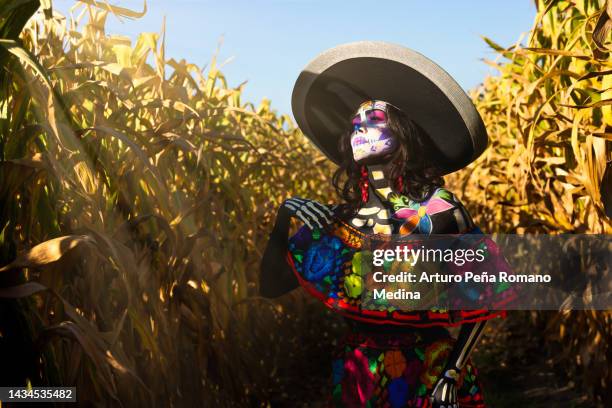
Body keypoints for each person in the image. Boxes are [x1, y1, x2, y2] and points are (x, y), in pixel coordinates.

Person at [260, 42, 513, 408]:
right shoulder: (339, 223)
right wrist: (285, 217)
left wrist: (452, 372)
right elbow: (271, 287)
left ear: (403, 132)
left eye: (373, 122)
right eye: (355, 125)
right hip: (360, 370)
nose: (360, 130)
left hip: (430, 369)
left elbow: (490, 293)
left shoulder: (438, 212)